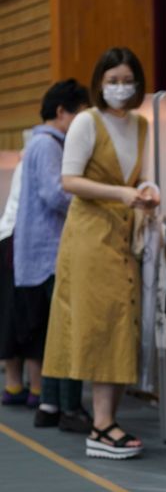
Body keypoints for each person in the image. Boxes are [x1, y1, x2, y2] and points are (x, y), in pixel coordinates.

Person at [42, 47, 159, 460]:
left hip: (123, 233)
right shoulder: (87, 123)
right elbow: (69, 181)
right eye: (111, 80)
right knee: (100, 322)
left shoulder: (142, 125)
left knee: (118, 321)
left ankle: (104, 421)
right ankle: (101, 423)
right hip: (90, 236)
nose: (119, 87)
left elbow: (139, 175)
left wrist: (145, 191)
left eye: (126, 79)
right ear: (100, 83)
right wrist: (123, 193)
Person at [11, 80, 93, 433]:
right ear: (62, 112)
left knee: (53, 333)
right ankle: (68, 406)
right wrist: (94, 198)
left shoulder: (37, 144)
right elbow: (55, 194)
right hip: (52, 251)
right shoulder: (48, 145)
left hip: (40, 253)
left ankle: (50, 404)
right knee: (67, 332)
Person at [0, 162, 29, 406]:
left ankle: (15, 385)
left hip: (15, 237)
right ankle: (15, 384)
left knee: (14, 313)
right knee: (16, 313)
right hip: (17, 239)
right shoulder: (42, 152)